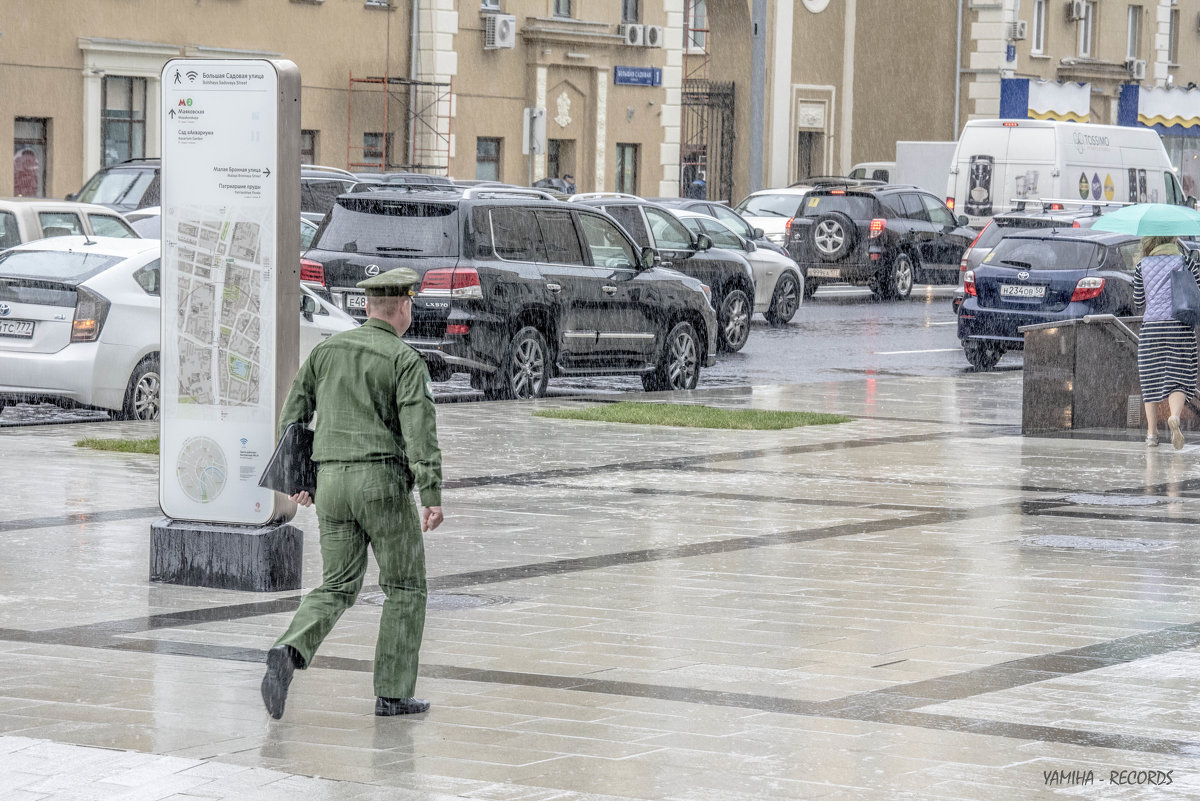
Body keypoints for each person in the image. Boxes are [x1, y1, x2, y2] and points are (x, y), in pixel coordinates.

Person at [261, 267, 444, 719]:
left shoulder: (327, 351)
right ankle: (392, 693)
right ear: (403, 307)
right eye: (411, 304)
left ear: (367, 306)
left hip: (331, 487)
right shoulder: (404, 360)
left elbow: (293, 417)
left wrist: (301, 481)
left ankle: (289, 649)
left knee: (338, 584)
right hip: (380, 484)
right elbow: (420, 432)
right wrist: (431, 491)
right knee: (404, 586)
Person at [1132, 235, 1200, 449]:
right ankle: (1175, 418)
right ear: (1172, 237)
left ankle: (1152, 434)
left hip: (1151, 329)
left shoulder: (1141, 265)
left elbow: (1138, 301)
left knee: (1150, 379)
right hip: (1178, 325)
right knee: (1178, 378)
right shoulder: (1185, 261)